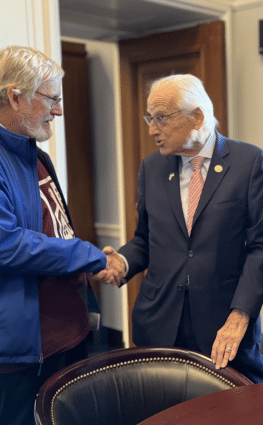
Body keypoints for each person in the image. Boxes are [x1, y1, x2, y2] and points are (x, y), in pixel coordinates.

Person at [0, 45, 119, 425]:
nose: (59, 109)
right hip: (21, 342)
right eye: (51, 98)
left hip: (66, 327)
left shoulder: (31, 150)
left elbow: (54, 228)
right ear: (15, 97)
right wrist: (91, 255)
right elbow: (0, 246)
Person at [92, 74, 263, 383]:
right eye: (149, 117)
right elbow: (145, 239)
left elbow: (259, 248)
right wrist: (122, 261)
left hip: (223, 324)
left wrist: (240, 316)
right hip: (159, 323)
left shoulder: (249, 162)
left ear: (197, 117)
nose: (151, 129)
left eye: (161, 118)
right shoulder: (152, 167)